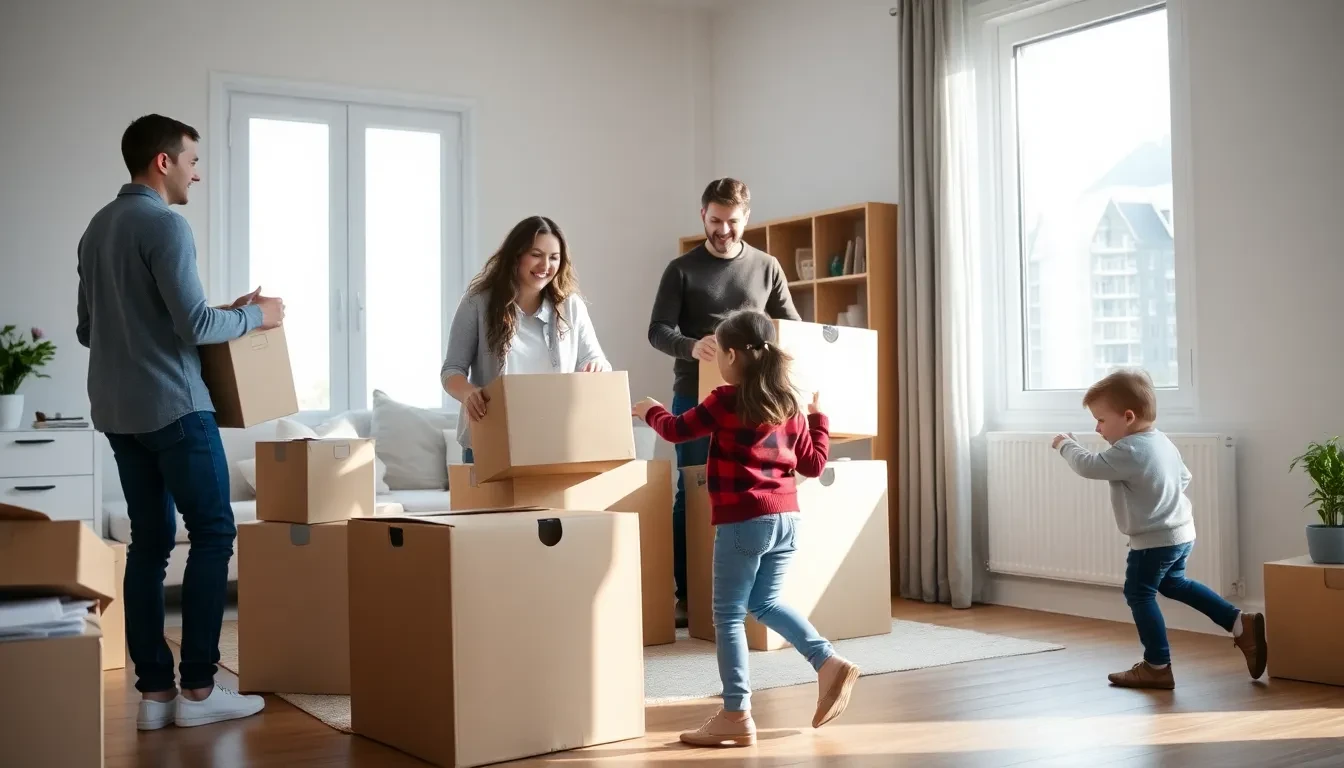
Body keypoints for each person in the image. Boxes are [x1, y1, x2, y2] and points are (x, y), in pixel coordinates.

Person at [77, 114, 284, 729]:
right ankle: (198, 689)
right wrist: (258, 318)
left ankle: (155, 697)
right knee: (215, 534)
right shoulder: (166, 224)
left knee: (150, 544)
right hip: (175, 408)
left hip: (119, 413)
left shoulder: (97, 229)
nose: (199, 171)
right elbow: (193, 328)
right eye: (193, 159)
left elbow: (93, 330)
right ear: (163, 162)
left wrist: (221, 311)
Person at [633, 309, 858, 747]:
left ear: (732, 354)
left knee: (729, 615)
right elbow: (813, 465)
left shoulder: (725, 399)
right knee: (767, 602)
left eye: (720, 352)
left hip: (744, 520)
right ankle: (827, 661)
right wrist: (818, 421)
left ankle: (736, 714)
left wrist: (650, 411)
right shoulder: (790, 403)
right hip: (787, 519)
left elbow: (679, 431)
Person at [1053, 369, 1267, 689]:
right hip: (1181, 532)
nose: (1096, 428)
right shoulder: (1160, 440)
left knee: (1139, 593)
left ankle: (1157, 665)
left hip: (1153, 540)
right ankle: (1239, 623)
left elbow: (1089, 466)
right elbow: (1184, 479)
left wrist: (1066, 445)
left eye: (1100, 420)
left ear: (1127, 417)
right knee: (1174, 583)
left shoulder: (1129, 450)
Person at [649, 178, 801, 626]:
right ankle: (689, 595)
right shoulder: (681, 269)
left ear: (746, 218)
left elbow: (789, 325)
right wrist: (690, 347)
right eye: (715, 221)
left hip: (755, 400)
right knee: (692, 491)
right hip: (695, 392)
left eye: (732, 222)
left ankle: (754, 596)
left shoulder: (767, 266)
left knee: (753, 491)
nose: (723, 230)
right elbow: (658, 330)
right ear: (702, 216)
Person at [441, 216, 610, 462]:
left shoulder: (571, 306)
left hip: (552, 441)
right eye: (536, 254)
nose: (545, 265)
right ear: (516, 255)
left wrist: (597, 366)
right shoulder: (477, 302)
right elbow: (451, 370)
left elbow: (595, 358)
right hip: (491, 439)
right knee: (491, 503)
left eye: (554, 257)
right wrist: (468, 393)